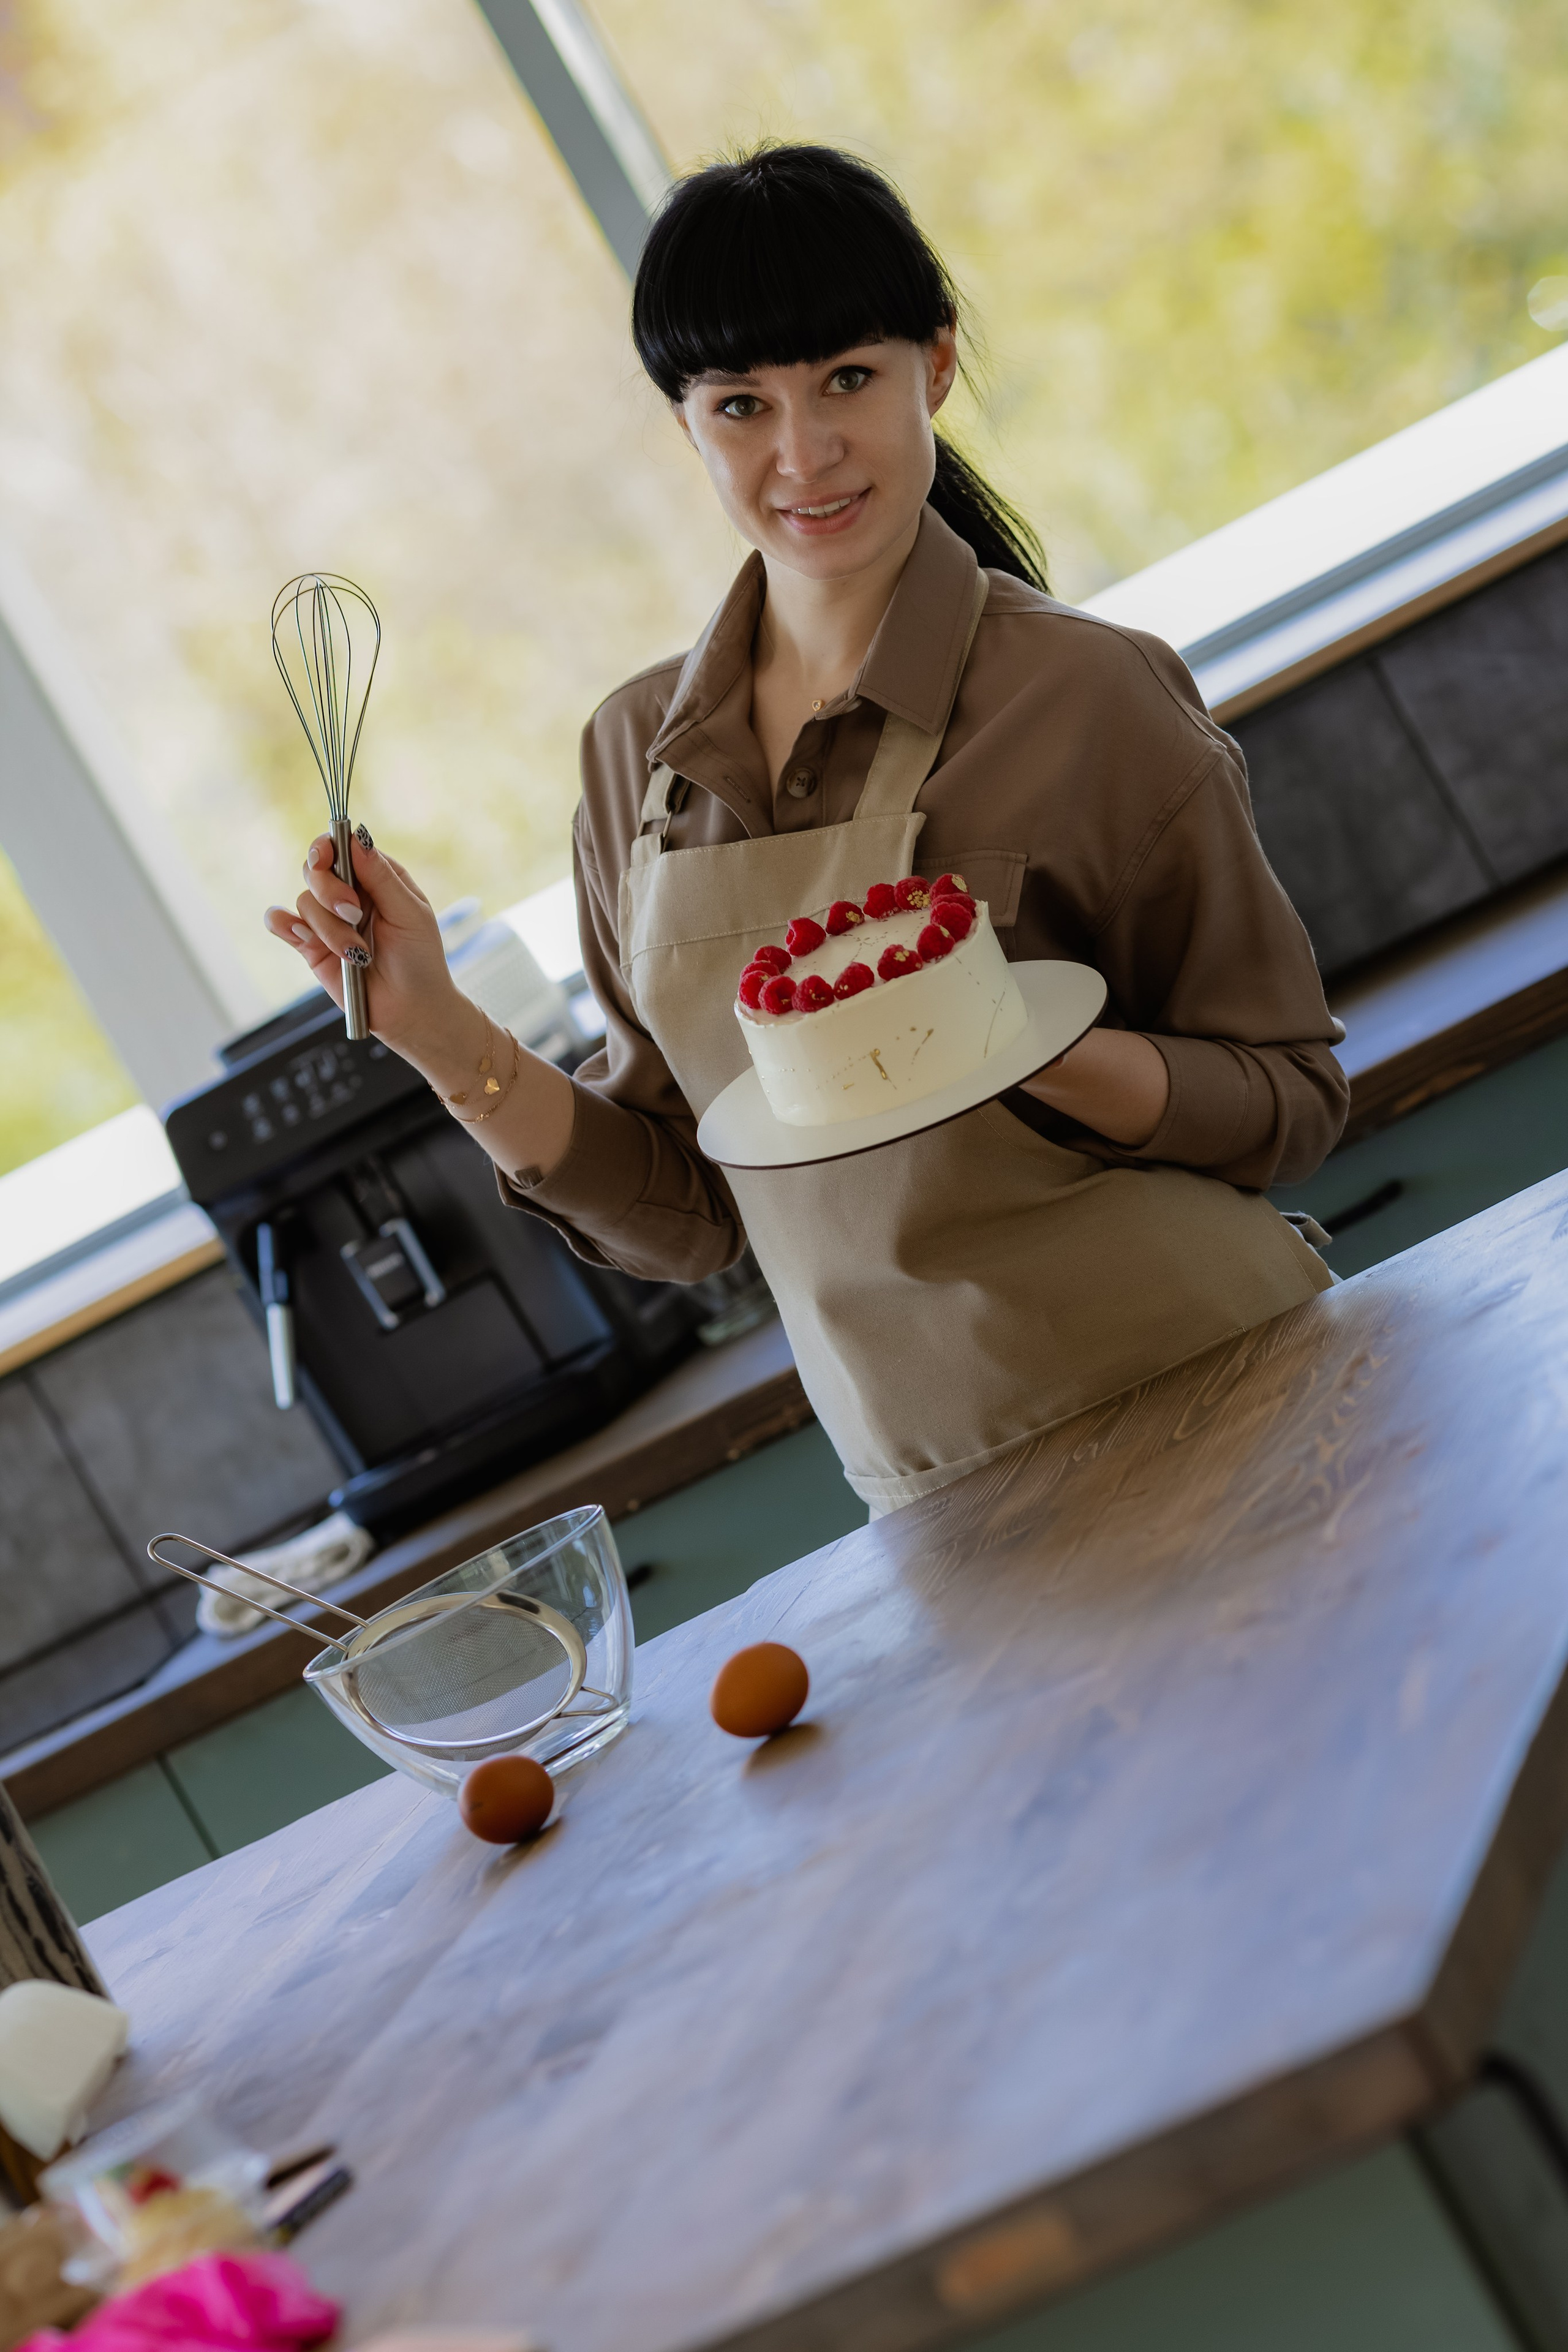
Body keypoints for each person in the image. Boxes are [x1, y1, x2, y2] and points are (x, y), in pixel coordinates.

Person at [268, 143, 1348, 1518]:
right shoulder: (629, 762)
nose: (802, 453)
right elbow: (693, 1213)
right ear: (685, 426)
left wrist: (1025, 1049)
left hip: (1221, 1376)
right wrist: (440, 1037)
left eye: (847, 378)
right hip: (929, 1486)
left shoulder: (1087, 693)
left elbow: (1290, 1102)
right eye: (739, 405)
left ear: (934, 366)